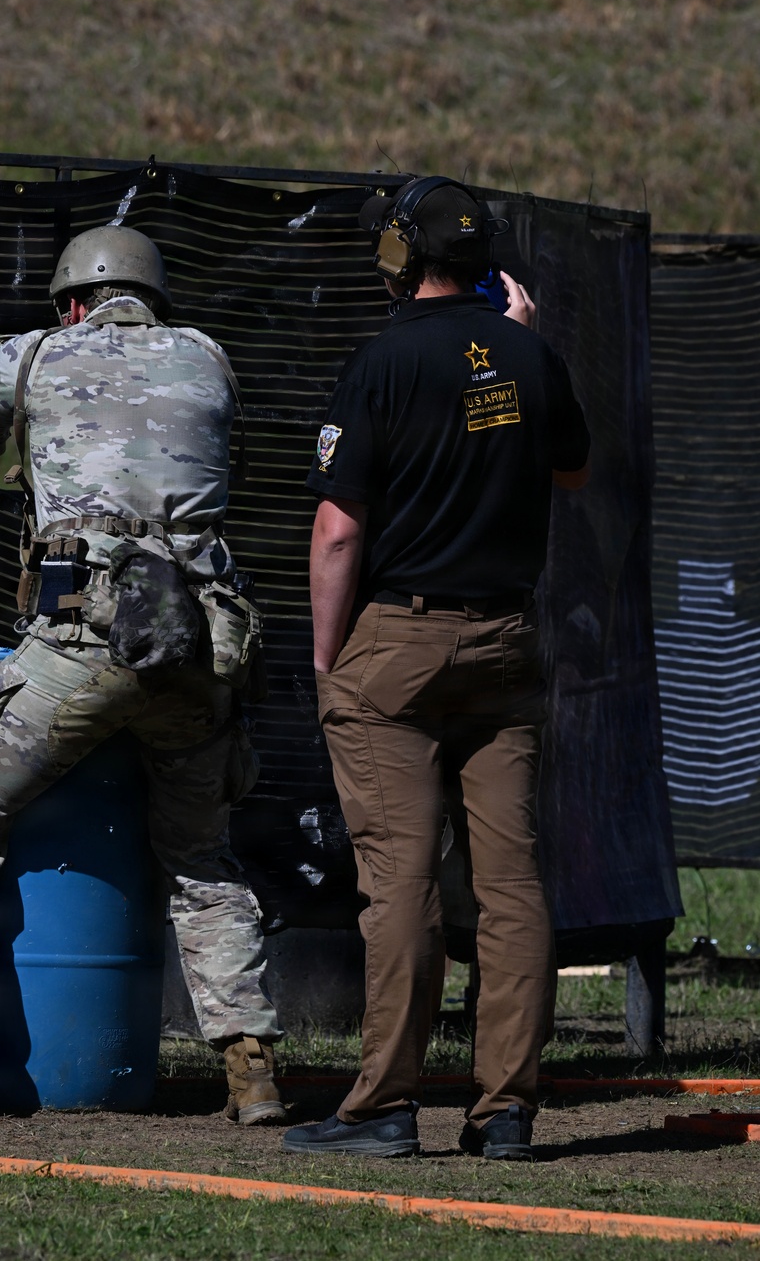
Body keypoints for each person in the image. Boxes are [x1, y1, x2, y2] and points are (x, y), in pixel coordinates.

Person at [0, 225, 284, 1125]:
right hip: (200, 644)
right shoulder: (210, 356)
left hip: (85, 642)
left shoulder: (41, 349)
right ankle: (252, 1071)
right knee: (200, 855)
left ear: (72, 301)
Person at [283, 177, 590, 1161]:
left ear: (400, 257)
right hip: (506, 644)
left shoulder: (378, 362)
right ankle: (505, 1108)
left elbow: (338, 532)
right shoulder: (528, 354)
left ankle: (382, 1108)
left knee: (402, 886)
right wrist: (523, 341)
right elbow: (574, 470)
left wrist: (331, 660)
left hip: (399, 647)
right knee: (510, 887)